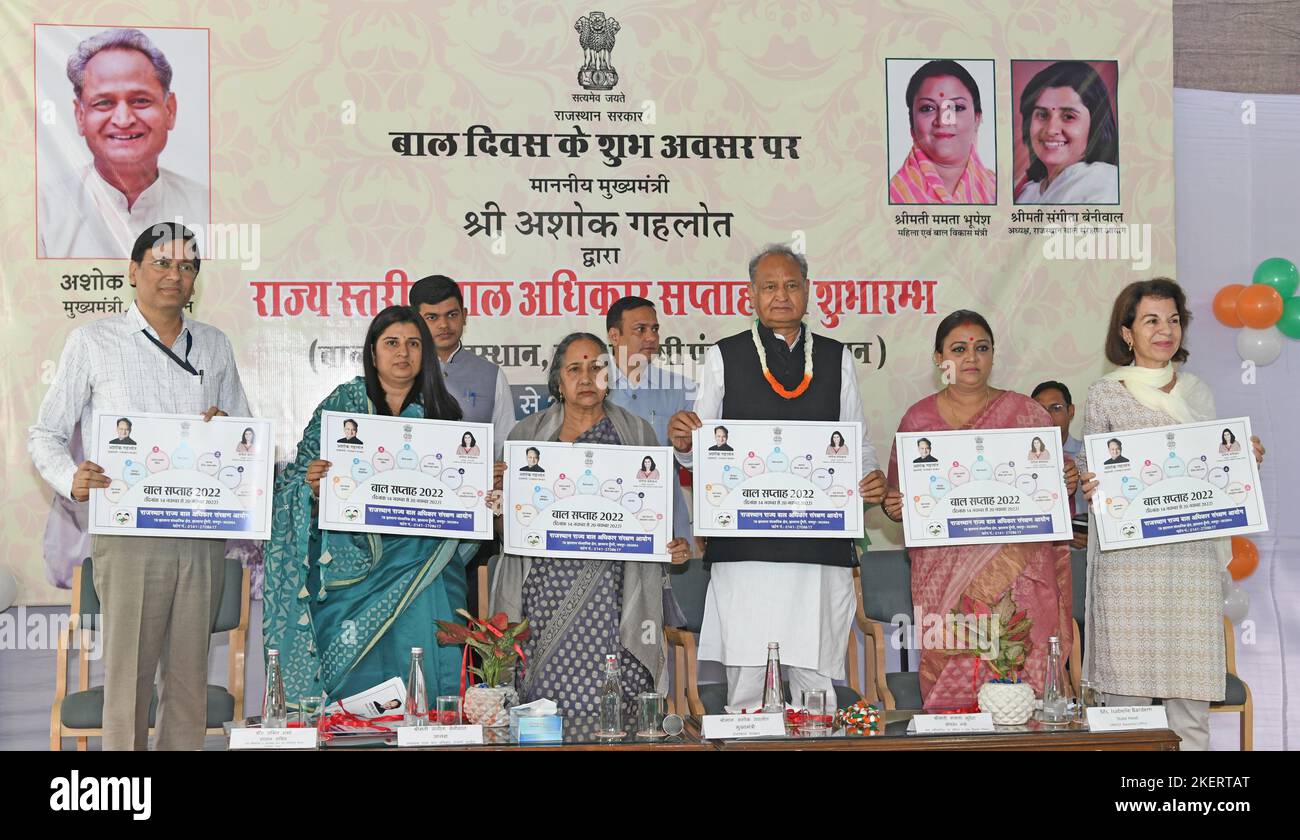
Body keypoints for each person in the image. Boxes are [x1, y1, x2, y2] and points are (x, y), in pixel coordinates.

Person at [28, 222, 248, 750]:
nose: (175, 275)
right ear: (133, 271)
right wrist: (71, 479)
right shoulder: (93, 341)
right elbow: (45, 434)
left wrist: (228, 434)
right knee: (127, 679)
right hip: (128, 536)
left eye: (187, 266)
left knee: (189, 680)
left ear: (196, 280)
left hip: (200, 533)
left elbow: (245, 435)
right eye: (162, 263)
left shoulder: (215, 345)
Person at [668, 245, 886, 711]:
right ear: (751, 295)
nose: (781, 295)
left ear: (807, 292)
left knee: (816, 686)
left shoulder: (835, 357)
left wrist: (869, 478)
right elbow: (700, 450)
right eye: (769, 286)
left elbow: (857, 441)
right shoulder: (723, 356)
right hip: (746, 548)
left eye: (791, 285)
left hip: (819, 548)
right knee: (748, 684)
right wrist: (686, 447)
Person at [264, 306, 481, 712]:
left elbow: (461, 501)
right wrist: (310, 486)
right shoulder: (342, 404)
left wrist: (484, 495)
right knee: (356, 687)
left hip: (425, 568)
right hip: (351, 572)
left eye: (414, 343)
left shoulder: (443, 414)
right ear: (373, 351)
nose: (403, 353)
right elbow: (292, 480)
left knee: (425, 672)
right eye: (392, 343)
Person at [1079, 278, 1265, 751]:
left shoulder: (1198, 393)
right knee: (1128, 716)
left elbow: (1212, 469)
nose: (1166, 331)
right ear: (1127, 332)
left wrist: (1242, 458)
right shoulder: (1106, 394)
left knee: (1190, 717)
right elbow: (1092, 470)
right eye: (1151, 320)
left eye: (1174, 320)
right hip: (1129, 569)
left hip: (1190, 565)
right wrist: (1089, 481)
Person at [882, 310, 1078, 711]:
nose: (971, 357)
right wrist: (892, 505)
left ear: (992, 355)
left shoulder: (1027, 416)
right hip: (946, 582)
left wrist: (1065, 481)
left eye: (981, 348)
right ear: (939, 359)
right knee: (957, 693)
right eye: (959, 349)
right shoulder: (917, 420)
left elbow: (1048, 490)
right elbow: (898, 499)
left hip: (1019, 578)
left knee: (1022, 694)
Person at [490, 333, 689, 718]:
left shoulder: (636, 435)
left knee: (614, 695)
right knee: (545, 701)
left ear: (609, 376)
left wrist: (671, 546)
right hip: (544, 592)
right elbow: (506, 533)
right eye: (575, 369)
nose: (587, 378)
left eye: (596, 367)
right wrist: (499, 501)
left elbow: (650, 519)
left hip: (618, 589)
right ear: (558, 381)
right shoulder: (526, 436)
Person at [39, 29, 207, 258]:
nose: (123, 119)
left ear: (170, 109)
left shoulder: (210, 209)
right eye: (104, 102)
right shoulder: (41, 215)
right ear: (80, 115)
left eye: (140, 100)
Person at [604, 295, 695, 548]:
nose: (651, 337)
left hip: (666, 529)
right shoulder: (592, 388)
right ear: (614, 336)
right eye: (640, 329)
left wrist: (686, 447)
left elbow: (703, 461)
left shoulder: (681, 389)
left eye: (654, 329)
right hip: (604, 522)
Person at [410, 275, 516, 460]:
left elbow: (504, 447)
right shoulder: (401, 372)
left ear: (464, 316)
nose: (444, 325)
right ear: (416, 321)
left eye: (452, 315)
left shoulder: (492, 376)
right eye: (432, 317)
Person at [889, 60, 996, 204]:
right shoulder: (889, 196)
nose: (943, 120)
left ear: (977, 118)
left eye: (956, 107)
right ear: (911, 123)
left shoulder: (998, 189)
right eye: (928, 108)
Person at [1014, 61, 1119, 204]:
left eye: (1069, 116)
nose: (1051, 130)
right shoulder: (1028, 192)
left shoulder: (1105, 183)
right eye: (1042, 115)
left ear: (1095, 124)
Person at [1032, 380, 1084, 514]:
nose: (1046, 415)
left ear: (1071, 411)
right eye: (1039, 409)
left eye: (1055, 408)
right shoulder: (1022, 459)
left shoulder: (1087, 454)